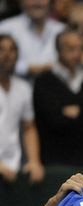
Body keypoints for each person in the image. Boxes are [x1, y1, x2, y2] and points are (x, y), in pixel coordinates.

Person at [33, 29, 83, 168]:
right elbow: (55, 120)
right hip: (53, 162)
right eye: (71, 48)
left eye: (81, 48)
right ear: (59, 50)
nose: (77, 53)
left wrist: (77, 111)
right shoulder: (44, 82)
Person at [0, 34, 43, 185]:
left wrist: (34, 161)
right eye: (2, 49)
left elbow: (29, 127)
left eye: (12, 50)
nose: (7, 55)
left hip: (14, 167)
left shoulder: (23, 88)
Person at [0, 0, 65, 78]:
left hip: (56, 88)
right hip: (14, 87)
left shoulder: (62, 30)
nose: (37, 2)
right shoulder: (4, 28)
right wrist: (27, 69)